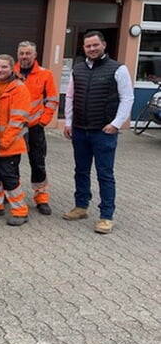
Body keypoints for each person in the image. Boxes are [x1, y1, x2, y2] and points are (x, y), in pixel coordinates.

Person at [63, 31, 134, 234]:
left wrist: (116, 124)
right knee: (81, 171)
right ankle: (81, 206)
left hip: (104, 131)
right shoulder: (78, 69)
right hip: (80, 130)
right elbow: (69, 97)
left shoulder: (118, 69)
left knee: (105, 174)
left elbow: (127, 98)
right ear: (84, 48)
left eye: (95, 45)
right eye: (88, 46)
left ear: (103, 45)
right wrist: (68, 122)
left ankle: (106, 216)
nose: (92, 49)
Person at [0, 54, 32, 226]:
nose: (0, 70)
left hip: (9, 142)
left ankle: (20, 211)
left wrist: (5, 141)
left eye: (4, 67)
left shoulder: (19, 89)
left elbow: (18, 120)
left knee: (9, 177)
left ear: (12, 68)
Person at [14, 41, 59, 215]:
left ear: (35, 55)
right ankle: (13, 195)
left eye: (28, 53)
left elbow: (53, 99)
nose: (24, 57)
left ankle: (41, 198)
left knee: (38, 163)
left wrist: (43, 121)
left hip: (34, 127)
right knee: (11, 163)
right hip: (14, 127)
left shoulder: (45, 74)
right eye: (22, 53)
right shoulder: (11, 72)